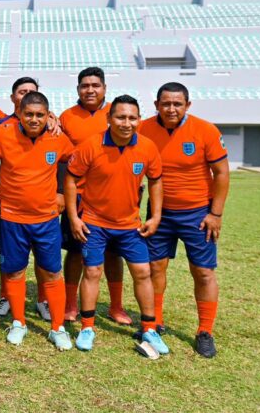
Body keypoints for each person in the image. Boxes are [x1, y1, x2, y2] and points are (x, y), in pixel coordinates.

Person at [64, 95, 168, 356]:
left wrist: (155, 216)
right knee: (92, 272)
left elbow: (155, 181)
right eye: (120, 117)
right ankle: (87, 327)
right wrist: (74, 218)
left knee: (143, 272)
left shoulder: (147, 147)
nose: (126, 123)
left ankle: (149, 328)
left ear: (139, 120)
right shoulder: (91, 145)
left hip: (130, 225)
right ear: (109, 119)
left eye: (132, 118)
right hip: (94, 223)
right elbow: (71, 179)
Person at [139, 82, 229, 358]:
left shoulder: (205, 130)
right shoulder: (143, 128)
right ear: (156, 105)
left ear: (187, 105)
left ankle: (205, 330)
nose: (171, 108)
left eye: (177, 103)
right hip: (159, 213)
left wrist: (215, 213)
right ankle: (154, 323)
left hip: (197, 214)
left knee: (203, 272)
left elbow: (222, 173)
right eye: (165, 103)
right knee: (155, 268)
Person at [0, 92, 74, 350]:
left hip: (46, 218)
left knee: (52, 271)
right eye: (29, 114)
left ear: (48, 116)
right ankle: (19, 322)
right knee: (14, 270)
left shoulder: (57, 138)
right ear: (20, 114)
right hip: (12, 217)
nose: (34, 119)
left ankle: (57, 327)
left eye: (39, 115)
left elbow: (68, 161)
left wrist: (60, 191)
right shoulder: (4, 135)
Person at [58, 67, 130, 324]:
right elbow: (61, 159)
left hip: (113, 196)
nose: (90, 90)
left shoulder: (118, 114)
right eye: (85, 85)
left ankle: (116, 306)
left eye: (95, 85)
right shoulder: (66, 117)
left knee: (113, 252)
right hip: (77, 196)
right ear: (78, 89)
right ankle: (69, 304)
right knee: (76, 251)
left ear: (104, 88)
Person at [0, 76, 59, 320]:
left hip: (43, 212)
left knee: (45, 261)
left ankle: (43, 299)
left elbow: (63, 158)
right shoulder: (0, 127)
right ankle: (6, 296)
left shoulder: (51, 127)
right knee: (10, 259)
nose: (25, 95)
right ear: (14, 98)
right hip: (11, 208)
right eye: (21, 91)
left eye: (31, 91)